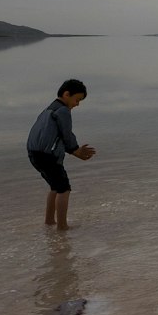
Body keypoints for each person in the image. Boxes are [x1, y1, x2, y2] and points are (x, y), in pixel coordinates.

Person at [26, 78, 96, 230]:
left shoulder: (49, 108)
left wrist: (74, 150)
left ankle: (50, 221)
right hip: (47, 156)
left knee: (55, 187)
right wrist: (76, 150)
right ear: (66, 94)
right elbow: (66, 134)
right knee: (64, 189)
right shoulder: (63, 111)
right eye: (77, 100)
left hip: (34, 153)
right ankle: (62, 226)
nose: (77, 104)